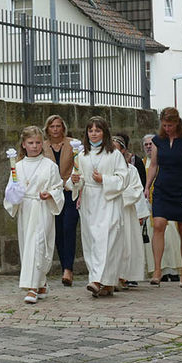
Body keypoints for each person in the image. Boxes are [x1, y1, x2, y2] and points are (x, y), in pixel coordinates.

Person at [69, 116, 128, 298]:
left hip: (108, 200)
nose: (94, 134)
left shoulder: (114, 154)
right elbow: (76, 179)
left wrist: (105, 179)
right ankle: (107, 283)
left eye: (98, 130)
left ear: (105, 132)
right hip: (89, 202)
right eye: (91, 130)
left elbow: (123, 178)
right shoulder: (82, 155)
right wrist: (75, 181)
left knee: (107, 241)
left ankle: (96, 280)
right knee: (92, 242)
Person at [4, 126, 64, 304]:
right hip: (26, 210)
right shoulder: (18, 167)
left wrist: (51, 194)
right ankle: (41, 283)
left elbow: (58, 187)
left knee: (39, 245)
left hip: (42, 208)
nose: (35, 146)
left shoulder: (50, 166)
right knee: (28, 246)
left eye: (38, 142)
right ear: (24, 144)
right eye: (31, 143)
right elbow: (11, 190)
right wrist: (14, 195)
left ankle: (31, 288)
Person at [145, 107, 182, 287]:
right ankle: (157, 270)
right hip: (162, 189)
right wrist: (147, 185)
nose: (167, 128)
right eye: (164, 125)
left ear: (177, 123)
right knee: (158, 224)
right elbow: (153, 165)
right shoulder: (158, 141)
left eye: (170, 125)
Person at [43, 115, 78, 286]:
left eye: (58, 126)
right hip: (52, 193)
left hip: (69, 190)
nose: (55, 129)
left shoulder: (73, 144)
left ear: (63, 128)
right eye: (52, 126)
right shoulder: (42, 146)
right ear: (47, 129)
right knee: (57, 229)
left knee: (69, 227)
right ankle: (65, 265)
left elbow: (78, 165)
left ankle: (68, 269)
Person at [113, 135, 149, 289]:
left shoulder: (131, 170)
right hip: (110, 212)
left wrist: (140, 213)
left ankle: (124, 275)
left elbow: (137, 191)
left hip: (126, 211)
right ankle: (111, 276)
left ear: (123, 151)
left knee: (127, 244)